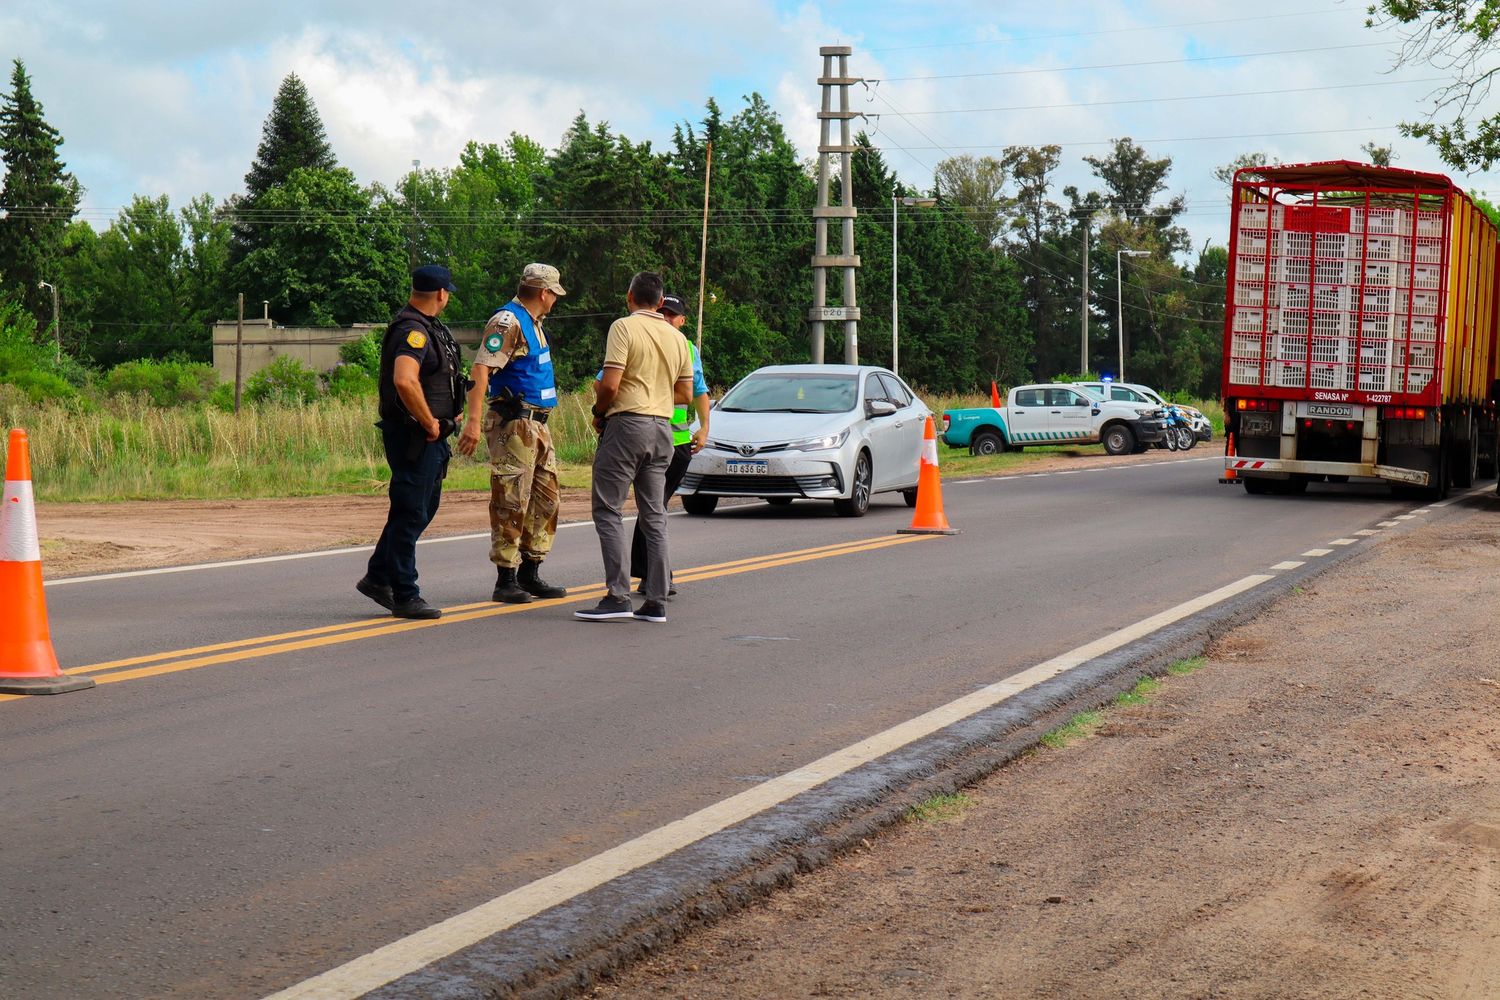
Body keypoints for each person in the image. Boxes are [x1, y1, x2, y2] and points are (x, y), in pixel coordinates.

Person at [576, 271, 693, 623]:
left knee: (609, 509)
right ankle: (656, 599)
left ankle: (617, 595)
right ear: (660, 302)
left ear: (629, 297)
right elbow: (686, 394)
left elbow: (609, 384)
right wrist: (655, 396)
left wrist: (599, 412)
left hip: (628, 426)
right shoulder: (678, 338)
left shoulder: (623, 328)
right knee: (654, 513)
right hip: (663, 430)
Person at [357, 264, 464, 620]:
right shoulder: (413, 331)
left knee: (422, 508)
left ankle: (377, 575)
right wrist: (429, 422)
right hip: (414, 437)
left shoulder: (428, 328)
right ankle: (405, 592)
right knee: (409, 511)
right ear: (441, 294)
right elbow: (405, 380)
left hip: (431, 437)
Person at [457, 263, 569, 604]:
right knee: (511, 500)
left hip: (538, 425)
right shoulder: (508, 322)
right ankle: (506, 577)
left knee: (546, 499)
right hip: (515, 425)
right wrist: (473, 422)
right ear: (544, 292)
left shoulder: (534, 323)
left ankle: (530, 572)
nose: (555, 300)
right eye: (554, 293)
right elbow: (481, 368)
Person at [629, 292, 709, 598]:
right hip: (644, 436)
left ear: (682, 320)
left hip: (676, 443)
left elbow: (699, 391)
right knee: (653, 506)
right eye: (662, 312)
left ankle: (654, 575)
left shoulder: (687, 348)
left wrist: (703, 429)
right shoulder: (641, 339)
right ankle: (655, 574)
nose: (666, 318)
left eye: (671, 315)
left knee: (653, 506)